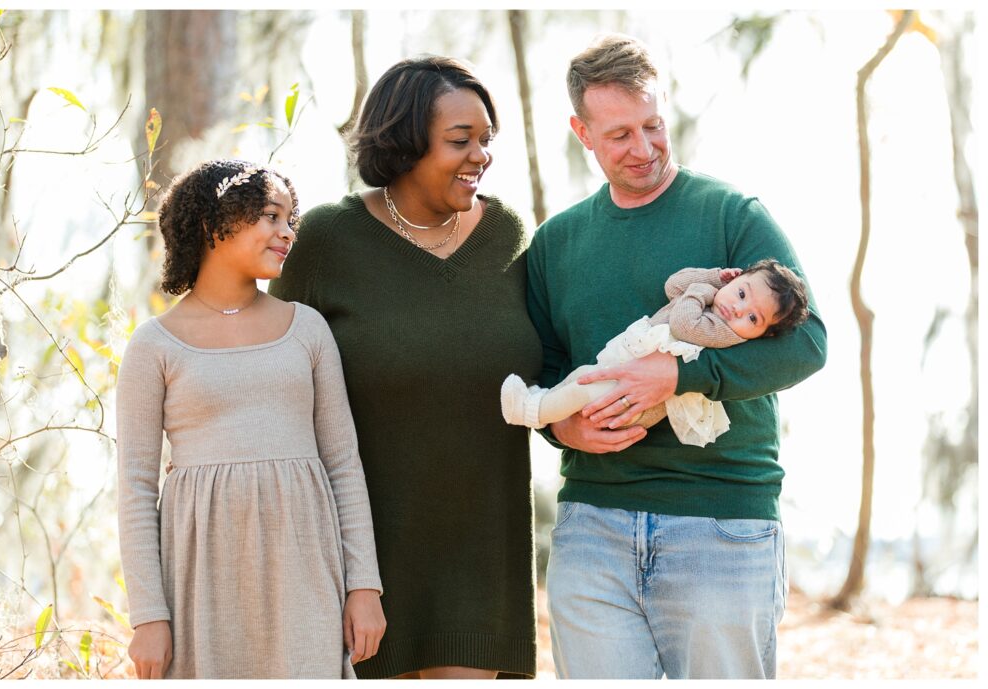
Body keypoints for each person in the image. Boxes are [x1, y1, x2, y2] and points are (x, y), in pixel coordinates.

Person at [526, 35, 828, 679]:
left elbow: (808, 343)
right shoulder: (556, 243)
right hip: (592, 530)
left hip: (720, 525)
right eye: (619, 135)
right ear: (581, 131)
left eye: (653, 126)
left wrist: (682, 374)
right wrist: (561, 425)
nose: (644, 148)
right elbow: (546, 370)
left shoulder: (731, 214)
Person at [268, 57, 542, 679]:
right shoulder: (326, 241)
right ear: (403, 142)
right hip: (362, 563)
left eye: (486, 141)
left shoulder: (508, 235)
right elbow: (272, 381)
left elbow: (548, 369)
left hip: (482, 553)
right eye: (459, 141)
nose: (480, 155)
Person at [117, 159, 385, 679]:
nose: (287, 233)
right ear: (213, 223)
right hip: (198, 574)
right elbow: (134, 485)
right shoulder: (153, 345)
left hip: (304, 566)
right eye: (271, 216)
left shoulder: (307, 330)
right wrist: (148, 615)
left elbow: (343, 465)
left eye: (291, 220)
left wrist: (364, 587)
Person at [502, 260, 809, 447]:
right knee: (583, 378)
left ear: (763, 334)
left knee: (585, 388)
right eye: (741, 292)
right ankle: (544, 401)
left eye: (753, 318)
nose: (738, 309)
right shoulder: (715, 297)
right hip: (627, 375)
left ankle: (530, 411)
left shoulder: (724, 332)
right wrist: (715, 277)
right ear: (736, 278)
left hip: (636, 403)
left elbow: (685, 323)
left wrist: (705, 291)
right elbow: (674, 285)